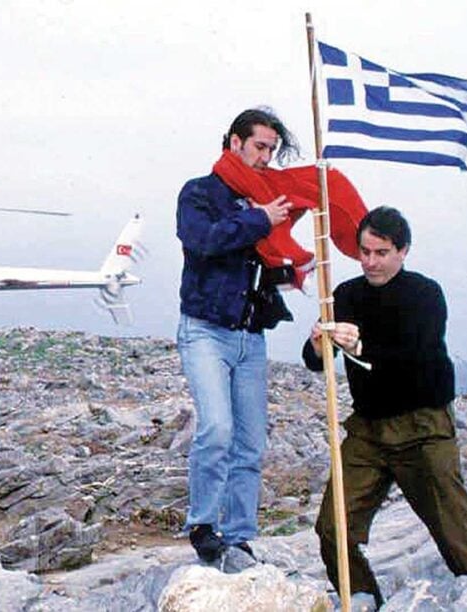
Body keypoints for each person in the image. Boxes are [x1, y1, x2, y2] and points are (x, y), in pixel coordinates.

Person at [302, 206, 467, 608]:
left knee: (454, 533)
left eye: (381, 253)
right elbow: (315, 361)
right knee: (333, 528)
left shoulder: (425, 294)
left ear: (403, 251)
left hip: (424, 428)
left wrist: (361, 346)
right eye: (364, 251)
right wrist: (318, 345)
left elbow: (415, 356)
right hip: (367, 432)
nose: (370, 262)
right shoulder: (345, 295)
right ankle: (366, 600)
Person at [176, 107, 298, 566]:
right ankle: (203, 525)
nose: (266, 157)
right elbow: (203, 240)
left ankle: (240, 534)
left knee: (251, 442)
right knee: (217, 428)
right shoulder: (199, 192)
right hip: (205, 331)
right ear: (234, 143)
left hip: (251, 336)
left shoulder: (262, 200)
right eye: (260, 146)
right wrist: (260, 220)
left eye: (272, 150)